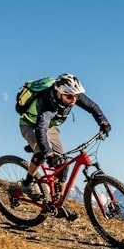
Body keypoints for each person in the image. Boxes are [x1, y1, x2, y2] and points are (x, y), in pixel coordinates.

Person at [18, 73, 111, 206]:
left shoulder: (72, 94)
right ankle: (27, 183)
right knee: (42, 154)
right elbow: (40, 129)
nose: (74, 99)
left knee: (62, 161)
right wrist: (48, 153)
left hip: (50, 127)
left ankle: (59, 202)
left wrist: (104, 122)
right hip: (30, 125)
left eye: (76, 96)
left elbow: (93, 107)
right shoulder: (46, 105)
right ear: (59, 93)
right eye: (69, 97)